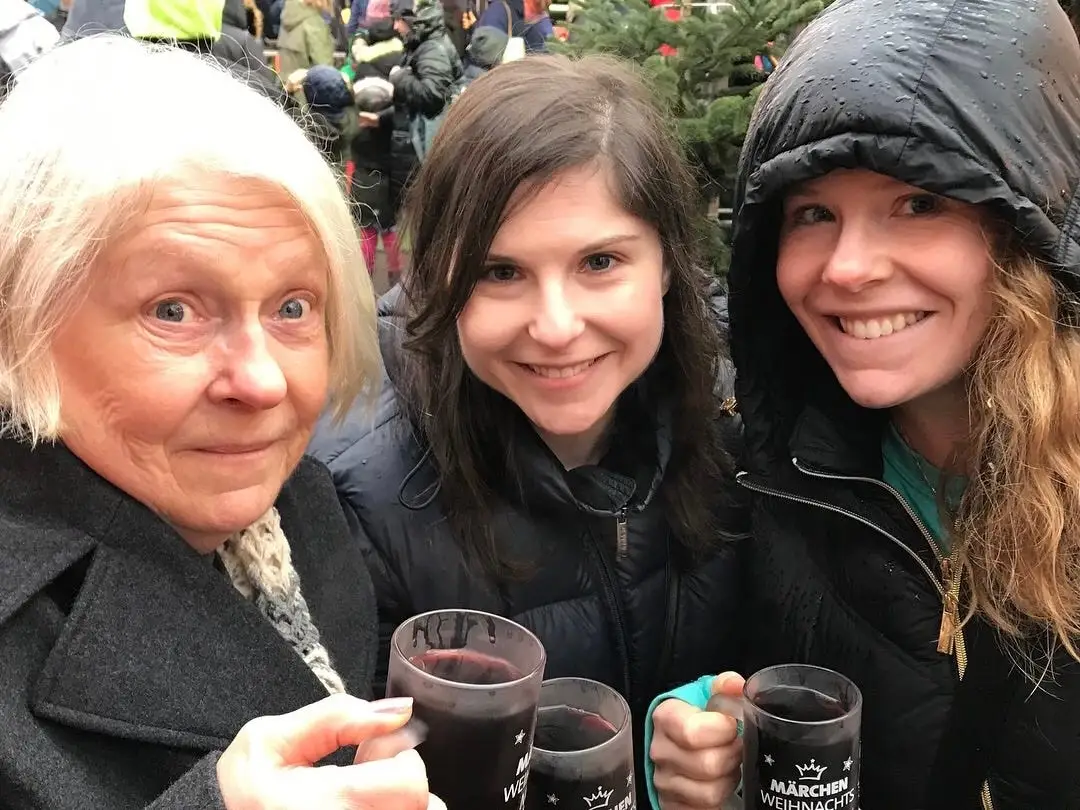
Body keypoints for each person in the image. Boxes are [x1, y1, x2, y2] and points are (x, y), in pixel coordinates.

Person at [645, 1, 1080, 809]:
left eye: (918, 203)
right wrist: (705, 734)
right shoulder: (774, 476)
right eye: (813, 214)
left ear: (1030, 228)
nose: (846, 267)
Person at [0, 35, 445, 810]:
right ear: (22, 322)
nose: (263, 381)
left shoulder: (301, 506)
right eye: (173, 310)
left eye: (293, 307)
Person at [307, 53, 747, 807]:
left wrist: (716, 739)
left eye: (600, 262)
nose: (556, 327)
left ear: (669, 265)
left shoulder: (737, 424)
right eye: (499, 272)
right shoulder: (353, 497)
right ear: (440, 277)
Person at [388, 0, 461, 161]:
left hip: (429, 140)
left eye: (398, 19)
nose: (395, 27)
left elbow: (431, 94)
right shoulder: (423, 44)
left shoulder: (432, 49)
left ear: (414, 20)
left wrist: (399, 77)